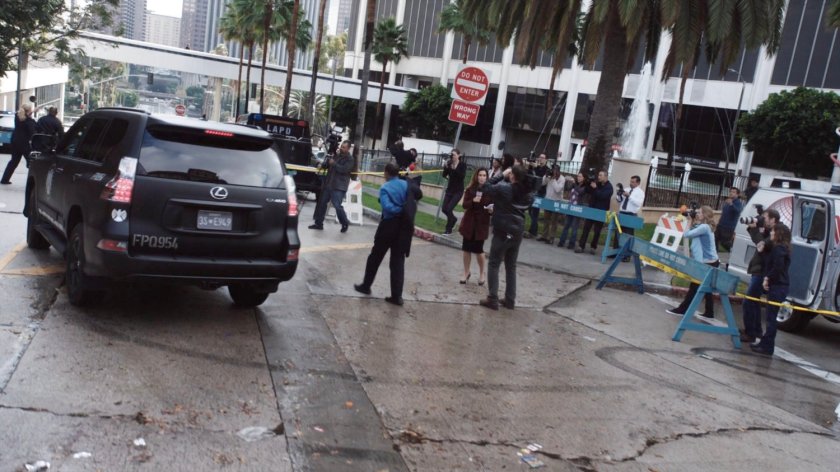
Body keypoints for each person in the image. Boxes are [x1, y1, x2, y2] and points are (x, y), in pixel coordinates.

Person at [354, 163, 423, 306]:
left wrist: (399, 210)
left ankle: (366, 286)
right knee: (398, 261)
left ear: (386, 173)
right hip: (404, 227)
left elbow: (387, 207)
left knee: (375, 256)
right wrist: (405, 210)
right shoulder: (405, 185)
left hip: (389, 225)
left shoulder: (385, 187)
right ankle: (396, 296)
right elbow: (416, 196)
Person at [478, 165, 534, 310]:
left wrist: (502, 174)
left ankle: (492, 298)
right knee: (511, 266)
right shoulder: (528, 194)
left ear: (512, 176)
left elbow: (486, 186)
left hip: (503, 229)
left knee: (494, 263)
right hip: (518, 231)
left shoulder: (505, 188)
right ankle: (510, 300)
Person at [667, 206, 720, 318]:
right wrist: (692, 220)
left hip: (707, 263)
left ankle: (682, 310)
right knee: (707, 288)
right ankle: (709, 312)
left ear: (705, 215)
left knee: (694, 287)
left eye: (700, 213)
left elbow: (687, 234)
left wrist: (690, 220)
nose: (698, 214)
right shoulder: (705, 226)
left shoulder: (705, 227)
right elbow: (694, 230)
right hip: (711, 262)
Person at [751, 223, 791, 356]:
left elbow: (777, 267)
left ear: (778, 233)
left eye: (773, 232)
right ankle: (765, 343)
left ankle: (767, 346)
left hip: (778, 286)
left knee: (771, 318)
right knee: (769, 316)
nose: (771, 234)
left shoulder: (779, 249)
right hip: (778, 285)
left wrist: (767, 278)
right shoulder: (780, 249)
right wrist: (762, 252)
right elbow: (771, 262)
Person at [740, 209, 780, 343]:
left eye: (766, 218)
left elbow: (761, 246)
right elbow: (759, 242)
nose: (763, 220)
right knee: (754, 302)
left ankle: (750, 333)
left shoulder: (776, 233)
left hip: (762, 271)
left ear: (773, 219)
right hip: (758, 270)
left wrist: (754, 230)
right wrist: (754, 229)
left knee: (748, 302)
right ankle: (755, 330)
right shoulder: (768, 231)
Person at [309, 140, 353, 232]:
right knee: (322, 203)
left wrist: (334, 163)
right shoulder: (336, 155)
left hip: (339, 187)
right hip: (328, 184)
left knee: (337, 206)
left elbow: (344, 170)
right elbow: (328, 166)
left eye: (344, 147)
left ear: (348, 149)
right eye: (341, 146)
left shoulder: (350, 159)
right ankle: (318, 223)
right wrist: (324, 163)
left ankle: (344, 222)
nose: (341, 148)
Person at [458, 168, 492, 285]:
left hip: (481, 224)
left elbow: (493, 206)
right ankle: (466, 272)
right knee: (466, 249)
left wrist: (491, 210)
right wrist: (473, 200)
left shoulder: (490, 190)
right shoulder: (470, 189)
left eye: (484, 175)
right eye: (480, 175)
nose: (482, 177)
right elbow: (464, 205)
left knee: (479, 250)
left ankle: (482, 273)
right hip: (469, 223)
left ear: (487, 177)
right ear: (476, 176)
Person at [575, 170, 613, 255]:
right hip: (592, 209)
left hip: (601, 211)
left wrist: (595, 188)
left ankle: (593, 247)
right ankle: (581, 246)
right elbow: (588, 191)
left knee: (597, 231)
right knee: (586, 228)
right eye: (598, 175)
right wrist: (589, 183)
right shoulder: (597, 184)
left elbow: (602, 196)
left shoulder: (609, 187)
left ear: (606, 177)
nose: (598, 177)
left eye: (600, 175)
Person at [2, 103, 37, 184]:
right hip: (24, 143)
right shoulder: (29, 121)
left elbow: (25, 115)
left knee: (13, 161)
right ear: (28, 111)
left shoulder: (17, 117)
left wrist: (32, 111)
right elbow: (32, 132)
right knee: (31, 162)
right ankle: (33, 181)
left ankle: (4, 179)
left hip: (14, 141)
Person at [612, 175, 645, 260]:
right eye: (630, 181)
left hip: (631, 214)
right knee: (618, 233)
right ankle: (615, 252)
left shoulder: (640, 192)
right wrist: (619, 194)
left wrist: (629, 196)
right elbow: (619, 200)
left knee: (628, 235)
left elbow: (638, 203)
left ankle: (626, 256)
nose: (631, 183)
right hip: (622, 213)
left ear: (638, 183)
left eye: (633, 182)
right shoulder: (626, 189)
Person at [441, 148, 467, 235]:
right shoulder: (449, 163)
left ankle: (448, 229)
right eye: (451, 155)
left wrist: (454, 168)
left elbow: (461, 177)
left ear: (458, 156)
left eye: (454, 155)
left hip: (458, 191)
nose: (452, 157)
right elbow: (444, 175)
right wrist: (446, 167)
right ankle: (454, 219)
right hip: (450, 190)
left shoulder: (462, 165)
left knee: (449, 209)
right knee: (444, 209)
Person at [557, 172, 586, 249]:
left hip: (577, 208)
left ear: (584, 178)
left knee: (574, 227)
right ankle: (561, 241)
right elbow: (567, 189)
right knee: (566, 225)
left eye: (580, 176)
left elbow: (580, 191)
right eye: (578, 176)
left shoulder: (584, 187)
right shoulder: (574, 185)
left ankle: (571, 243)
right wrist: (568, 181)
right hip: (570, 207)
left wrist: (574, 184)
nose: (578, 178)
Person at [537, 166, 564, 244]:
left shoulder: (562, 179)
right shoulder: (549, 176)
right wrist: (546, 176)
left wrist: (554, 179)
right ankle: (544, 236)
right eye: (552, 171)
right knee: (546, 219)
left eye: (554, 171)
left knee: (554, 221)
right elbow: (542, 183)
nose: (553, 172)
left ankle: (551, 237)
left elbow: (558, 190)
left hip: (556, 201)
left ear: (558, 171)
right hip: (548, 200)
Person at [525, 153, 549, 238]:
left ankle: (532, 232)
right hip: (532, 191)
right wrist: (530, 166)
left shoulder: (547, 170)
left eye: (543, 158)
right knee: (530, 211)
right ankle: (534, 230)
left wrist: (535, 167)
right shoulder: (536, 167)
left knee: (535, 212)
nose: (540, 159)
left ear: (546, 160)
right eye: (540, 157)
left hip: (540, 192)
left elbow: (541, 181)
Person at [715, 187, 743, 251]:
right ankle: (714, 256)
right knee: (715, 240)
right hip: (720, 225)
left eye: (733, 192)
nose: (731, 193)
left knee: (725, 243)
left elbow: (738, 211)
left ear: (737, 194)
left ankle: (734, 251)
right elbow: (724, 213)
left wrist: (731, 204)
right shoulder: (728, 202)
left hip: (728, 227)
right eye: (731, 191)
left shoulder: (738, 203)